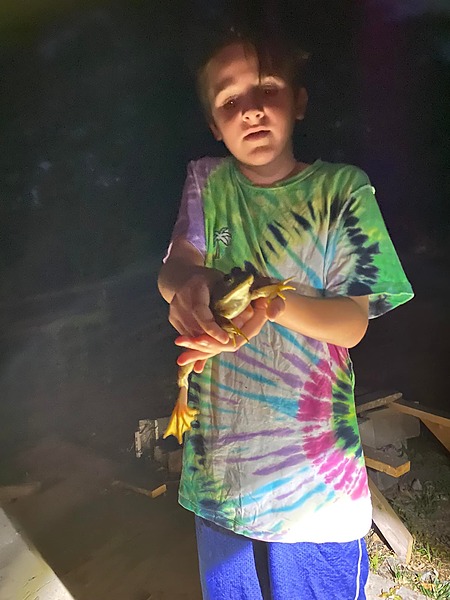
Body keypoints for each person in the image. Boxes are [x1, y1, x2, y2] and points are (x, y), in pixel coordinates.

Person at [158, 26, 413, 600]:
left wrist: (270, 304)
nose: (249, 109)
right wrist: (190, 286)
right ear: (213, 122)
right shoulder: (207, 181)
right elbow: (175, 266)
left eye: (267, 88)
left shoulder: (342, 190)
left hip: (314, 484)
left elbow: (352, 323)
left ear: (298, 101)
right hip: (221, 474)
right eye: (229, 99)